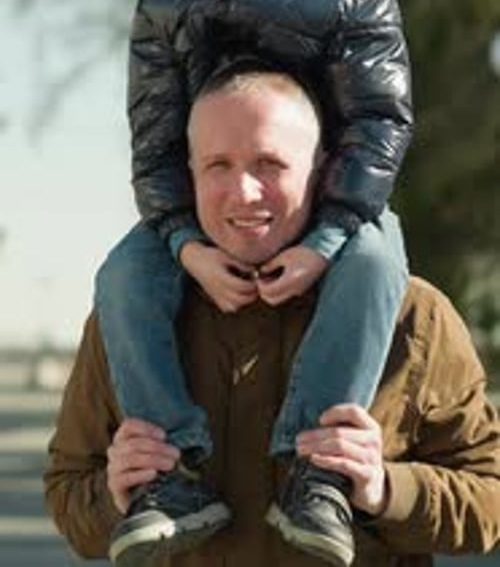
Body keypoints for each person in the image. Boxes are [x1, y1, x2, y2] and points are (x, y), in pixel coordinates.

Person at [94, 0, 414, 565]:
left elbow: (379, 121)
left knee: (377, 261)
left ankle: (318, 469)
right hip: (201, 219)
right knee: (121, 277)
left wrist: (332, 234)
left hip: (331, 209)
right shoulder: (165, 10)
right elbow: (157, 140)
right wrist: (180, 242)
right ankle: (171, 471)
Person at [45, 68, 500, 567]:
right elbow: (70, 504)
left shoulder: (414, 316)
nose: (244, 192)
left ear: (322, 169)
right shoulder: (132, 314)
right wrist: (116, 493)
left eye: (269, 164)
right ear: (188, 174)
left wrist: (385, 488)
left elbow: (489, 502)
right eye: (218, 165)